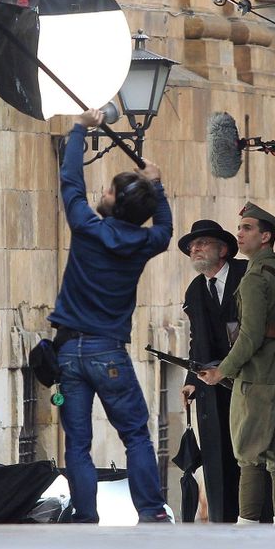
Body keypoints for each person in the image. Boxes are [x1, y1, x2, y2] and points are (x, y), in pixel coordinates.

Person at [49, 108, 172, 524]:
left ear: (115, 203)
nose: (101, 191)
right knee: (135, 435)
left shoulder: (86, 227)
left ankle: (86, 515)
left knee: (77, 444)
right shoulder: (145, 242)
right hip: (109, 352)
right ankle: (151, 511)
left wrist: (79, 129)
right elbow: (166, 230)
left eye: (109, 190)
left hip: (68, 351)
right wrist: (158, 186)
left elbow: (70, 182)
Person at [198, 203, 275, 525]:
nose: (239, 234)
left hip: (257, 379)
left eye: (248, 228)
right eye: (240, 228)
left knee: (249, 458)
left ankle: (248, 527)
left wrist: (221, 371)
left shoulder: (255, 276)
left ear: (266, 237)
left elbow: (250, 335)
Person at [177, 219, 246, 523]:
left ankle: (255, 517)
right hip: (210, 384)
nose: (195, 249)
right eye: (192, 246)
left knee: (251, 454)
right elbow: (196, 338)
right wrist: (192, 379)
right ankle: (222, 520)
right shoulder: (195, 289)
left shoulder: (247, 276)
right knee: (217, 456)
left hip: (247, 379)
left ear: (223, 250)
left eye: (202, 243)